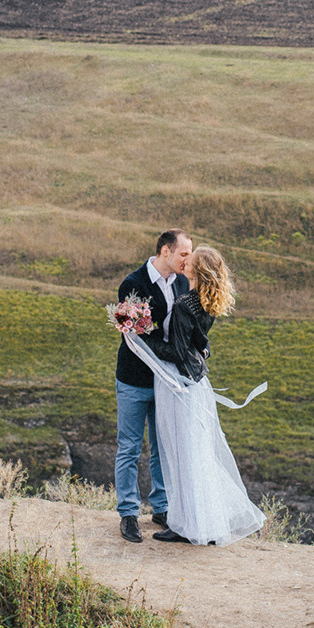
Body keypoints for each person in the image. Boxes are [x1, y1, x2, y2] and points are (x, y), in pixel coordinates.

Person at [134, 245, 266, 547]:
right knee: (196, 454)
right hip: (197, 386)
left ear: (197, 270)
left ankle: (184, 525)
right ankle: (200, 521)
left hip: (178, 386)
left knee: (181, 455)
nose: (185, 262)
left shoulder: (184, 304)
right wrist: (200, 351)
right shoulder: (205, 302)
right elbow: (199, 341)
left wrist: (143, 336)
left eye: (190, 260)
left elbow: (178, 354)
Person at [114, 229, 191, 543]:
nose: (188, 259)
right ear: (165, 252)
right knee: (130, 448)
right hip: (134, 379)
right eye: (183, 254)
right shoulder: (132, 284)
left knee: (163, 448)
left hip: (167, 380)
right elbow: (130, 334)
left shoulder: (184, 283)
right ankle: (129, 514)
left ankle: (161, 508)